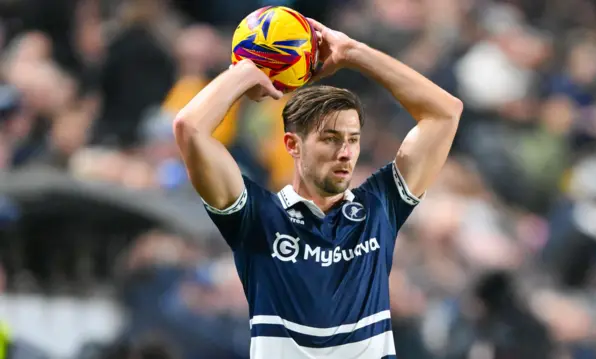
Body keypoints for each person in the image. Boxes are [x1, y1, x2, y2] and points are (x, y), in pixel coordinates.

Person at [173, 17, 463, 359]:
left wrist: (354, 52)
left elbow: (445, 112)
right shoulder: (257, 218)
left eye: (353, 140)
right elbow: (189, 129)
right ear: (292, 145)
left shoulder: (379, 209)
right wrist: (247, 69)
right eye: (330, 139)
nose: (345, 152)